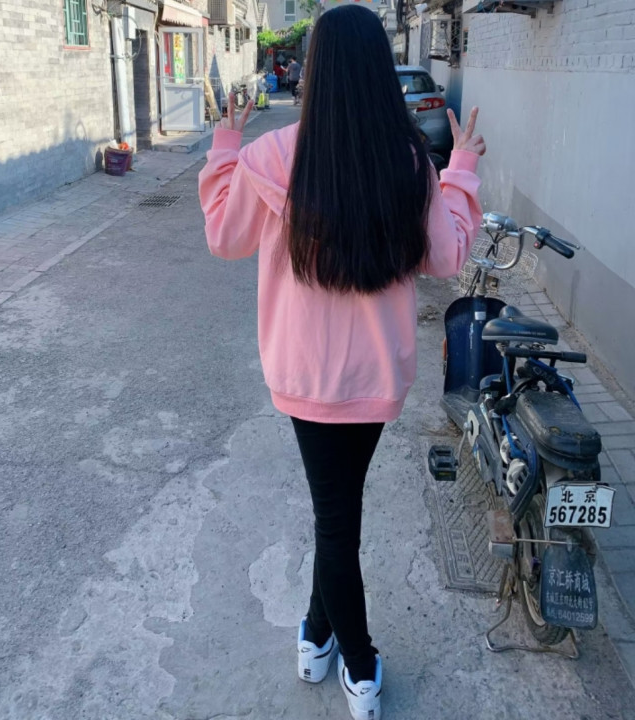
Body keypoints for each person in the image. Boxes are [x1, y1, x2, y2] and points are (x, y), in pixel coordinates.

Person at [198, 6, 485, 720]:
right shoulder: (409, 162)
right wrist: (462, 171)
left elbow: (224, 237)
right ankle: (343, 654)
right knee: (338, 516)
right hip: (376, 380)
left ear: (316, 73)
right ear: (380, 73)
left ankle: (335, 653)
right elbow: (447, 256)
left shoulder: (271, 156)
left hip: (304, 378)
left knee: (336, 517)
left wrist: (226, 146)